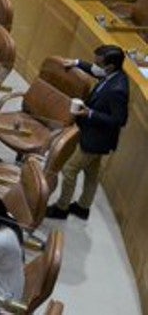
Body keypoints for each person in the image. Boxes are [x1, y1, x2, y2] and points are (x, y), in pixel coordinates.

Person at [47, 44, 130, 221]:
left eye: (99, 63)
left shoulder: (118, 90)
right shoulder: (112, 74)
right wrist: (76, 63)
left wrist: (89, 113)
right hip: (95, 134)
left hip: (97, 138)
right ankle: (83, 207)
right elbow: (94, 70)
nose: (95, 65)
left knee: (69, 170)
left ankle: (61, 208)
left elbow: (119, 120)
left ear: (110, 66)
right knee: (92, 172)